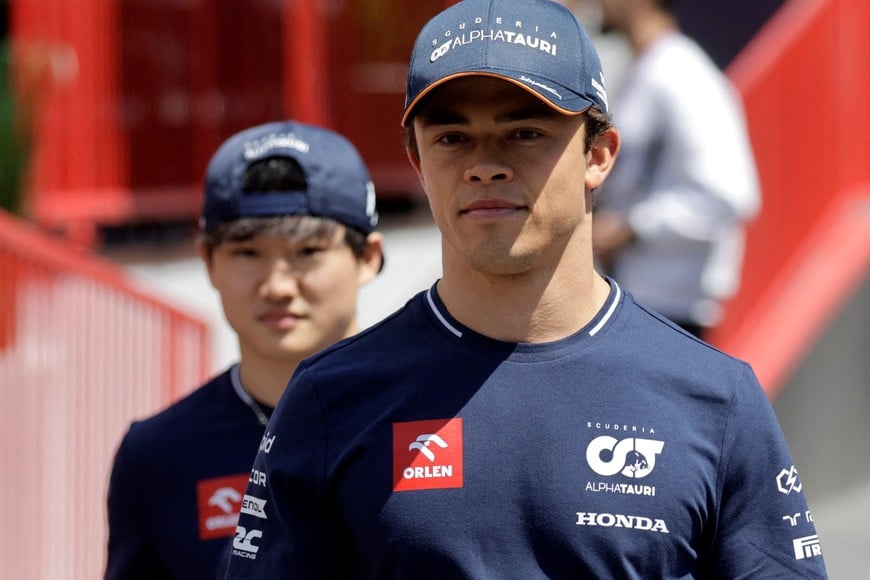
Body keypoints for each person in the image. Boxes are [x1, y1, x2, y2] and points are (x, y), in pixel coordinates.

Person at [225, 0, 826, 577]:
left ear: (599, 154)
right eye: (453, 138)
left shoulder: (716, 400)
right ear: (416, 161)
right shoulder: (329, 398)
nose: (485, 164)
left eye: (525, 132)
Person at [105, 120, 384, 579]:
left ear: (367, 258)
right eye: (247, 252)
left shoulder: (434, 416)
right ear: (208, 261)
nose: (276, 286)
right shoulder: (158, 454)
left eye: (308, 250)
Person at [590, 0, 760, 339]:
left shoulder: (682, 72)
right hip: (641, 302)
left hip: (669, 314)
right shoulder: (650, 67)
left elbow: (729, 193)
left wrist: (630, 228)